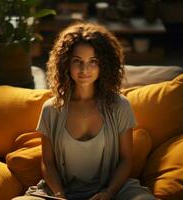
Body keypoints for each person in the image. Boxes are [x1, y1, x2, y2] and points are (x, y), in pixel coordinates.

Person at [34, 22, 156, 200]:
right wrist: (59, 195)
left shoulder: (120, 106)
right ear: (66, 63)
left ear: (104, 65)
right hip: (60, 192)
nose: (84, 70)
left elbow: (125, 159)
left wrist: (109, 193)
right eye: (78, 61)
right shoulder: (51, 109)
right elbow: (48, 162)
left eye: (93, 61)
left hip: (114, 190)